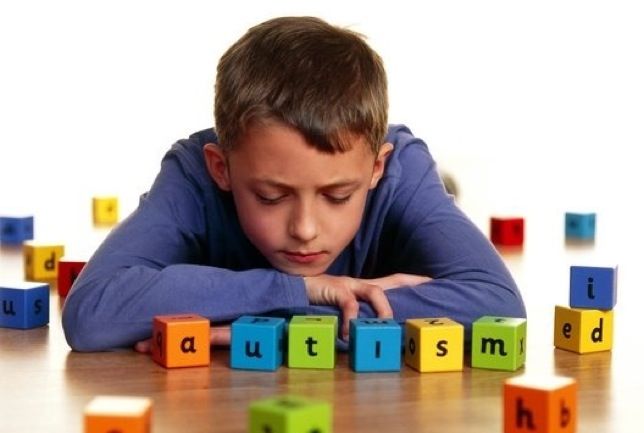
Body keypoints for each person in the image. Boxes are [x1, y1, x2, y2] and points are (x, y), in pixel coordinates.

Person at [62, 16, 525, 352]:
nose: (304, 229)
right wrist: (301, 290)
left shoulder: (403, 169)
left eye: (338, 196)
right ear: (221, 168)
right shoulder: (193, 174)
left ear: (376, 168)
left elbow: (499, 306)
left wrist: (279, 324)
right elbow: (91, 314)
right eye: (271, 196)